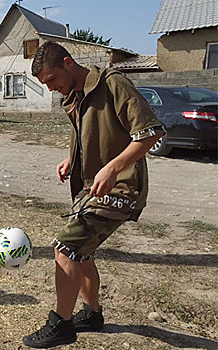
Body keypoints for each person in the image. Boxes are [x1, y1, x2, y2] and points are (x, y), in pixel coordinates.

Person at [23, 41, 165, 348]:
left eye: (51, 80)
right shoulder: (74, 95)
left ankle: (60, 325)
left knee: (65, 247)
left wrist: (113, 168)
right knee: (81, 252)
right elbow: (85, 135)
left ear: (68, 63)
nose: (50, 88)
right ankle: (92, 314)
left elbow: (150, 132)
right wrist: (69, 159)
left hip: (123, 186)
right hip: (92, 187)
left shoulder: (113, 83)